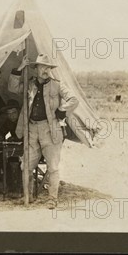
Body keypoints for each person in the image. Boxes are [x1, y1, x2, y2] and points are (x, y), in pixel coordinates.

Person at [8, 53, 78, 209]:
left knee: (53, 167)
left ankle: (52, 198)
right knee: (26, 166)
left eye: (48, 67)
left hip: (50, 130)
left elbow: (74, 99)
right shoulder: (29, 84)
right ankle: (29, 195)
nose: (46, 70)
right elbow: (12, 88)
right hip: (31, 129)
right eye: (43, 66)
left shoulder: (57, 85)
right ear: (36, 68)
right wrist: (19, 68)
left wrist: (62, 110)